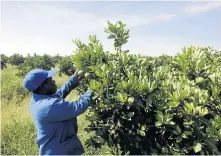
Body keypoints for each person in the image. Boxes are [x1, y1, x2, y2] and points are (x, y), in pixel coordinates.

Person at [23, 68, 92, 155]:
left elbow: (57, 95)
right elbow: (78, 107)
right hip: (59, 152)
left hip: (56, 148)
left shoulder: (37, 98)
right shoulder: (48, 106)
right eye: (50, 81)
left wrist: (73, 80)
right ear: (43, 86)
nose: (54, 82)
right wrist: (93, 88)